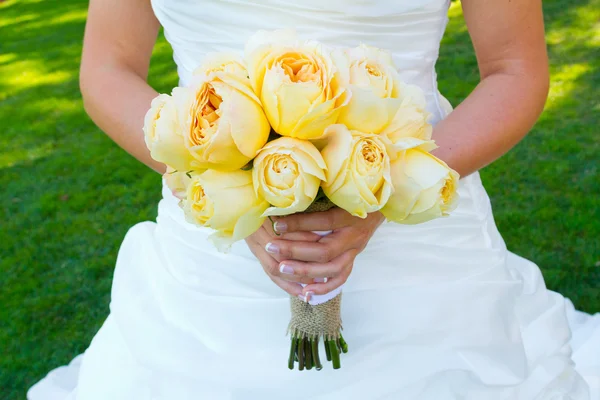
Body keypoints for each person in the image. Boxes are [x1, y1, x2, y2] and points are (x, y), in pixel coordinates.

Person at [28, 0, 600, 399]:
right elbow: (107, 67)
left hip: (424, 256)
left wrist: (384, 189)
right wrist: (223, 178)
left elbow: (514, 68)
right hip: (210, 269)